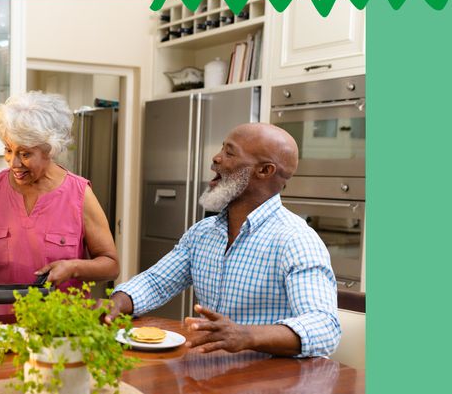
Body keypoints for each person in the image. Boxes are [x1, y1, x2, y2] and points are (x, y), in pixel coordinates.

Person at [105, 123, 340, 357]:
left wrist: (247, 336)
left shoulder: (296, 239)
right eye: (221, 149)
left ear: (265, 171)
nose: (216, 158)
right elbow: (155, 283)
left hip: (271, 382)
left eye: (229, 152)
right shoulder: (202, 233)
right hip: (211, 372)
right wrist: (115, 304)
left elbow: (324, 327)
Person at [0, 91, 120, 318]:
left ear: (49, 149)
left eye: (25, 153)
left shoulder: (79, 194)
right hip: (2, 327)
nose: (14, 163)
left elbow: (110, 264)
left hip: (61, 329)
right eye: (8, 149)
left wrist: (73, 267)